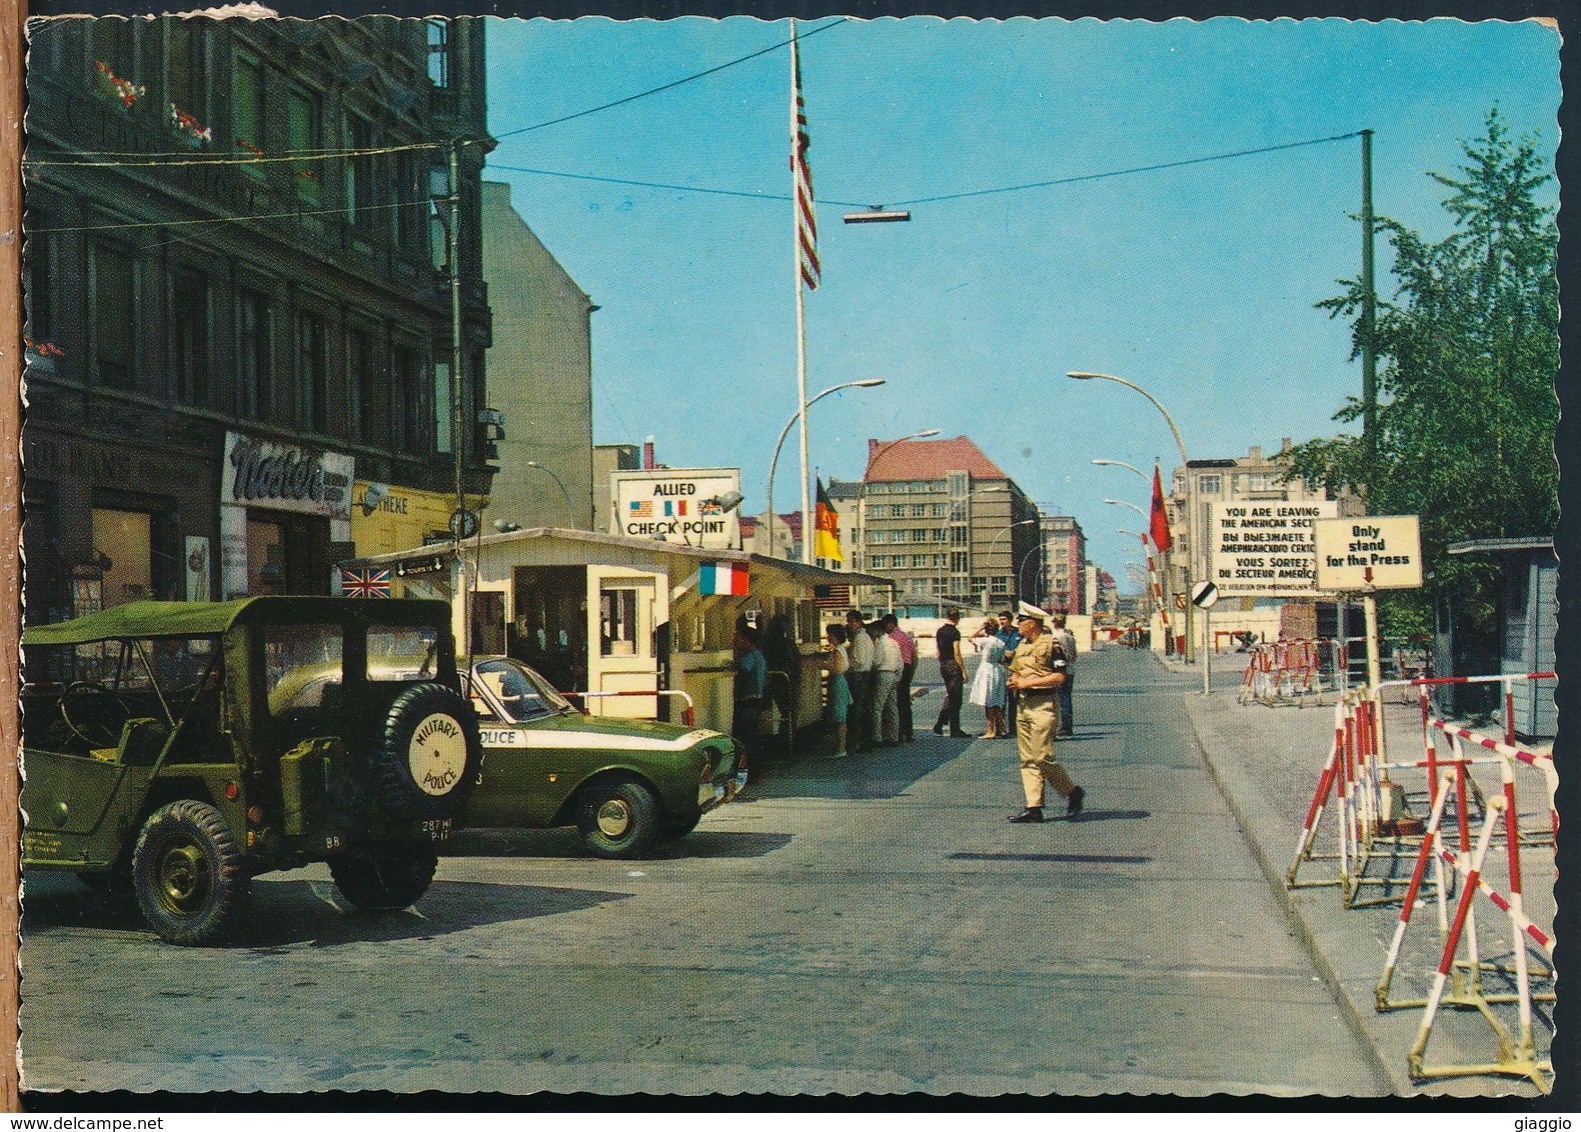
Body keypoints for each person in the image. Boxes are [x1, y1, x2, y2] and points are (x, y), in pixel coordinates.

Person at [1006, 611, 1083, 823]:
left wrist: (1026, 683)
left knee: (1042, 756)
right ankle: (1033, 807)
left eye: (1021, 621)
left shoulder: (1052, 644)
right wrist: (1014, 680)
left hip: (1043, 704)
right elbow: (1015, 670)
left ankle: (1072, 791)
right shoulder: (1022, 645)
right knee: (1027, 759)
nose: (1018, 624)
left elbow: (1060, 676)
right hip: (1023, 705)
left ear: (1033, 623)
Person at [968, 618, 1009, 739]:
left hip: (986, 670)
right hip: (997, 670)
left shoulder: (985, 641)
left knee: (988, 701)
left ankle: (991, 730)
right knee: (997, 701)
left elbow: (970, 638)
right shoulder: (1000, 642)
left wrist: (980, 628)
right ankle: (1001, 728)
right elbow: (1002, 660)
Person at [933, 607, 969, 738]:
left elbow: (938, 651)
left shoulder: (940, 631)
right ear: (957, 618)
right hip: (953, 664)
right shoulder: (954, 632)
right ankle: (955, 728)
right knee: (956, 698)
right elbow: (957, 653)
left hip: (943, 664)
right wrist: (963, 670)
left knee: (950, 695)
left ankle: (940, 723)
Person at [818, 623, 852, 758]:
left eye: (830, 635)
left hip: (837, 682)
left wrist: (823, 665)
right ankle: (840, 747)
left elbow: (837, 669)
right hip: (840, 682)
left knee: (839, 717)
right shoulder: (841, 649)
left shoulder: (837, 650)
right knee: (840, 716)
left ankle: (840, 748)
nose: (828, 638)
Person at [732, 625, 766, 755]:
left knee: (747, 734)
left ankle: (749, 766)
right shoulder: (758, 654)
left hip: (747, 698)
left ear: (745, 639)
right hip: (756, 697)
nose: (735, 641)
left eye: (738, 638)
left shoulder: (748, 657)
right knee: (752, 733)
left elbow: (742, 670)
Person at [883, 613, 918, 741]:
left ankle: (897, 731)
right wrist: (911, 674)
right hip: (908, 668)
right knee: (905, 702)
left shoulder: (890, 638)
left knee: (894, 702)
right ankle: (908, 731)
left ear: (891, 624)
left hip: (897, 668)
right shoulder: (907, 636)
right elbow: (915, 657)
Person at [844, 609, 875, 752]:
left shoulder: (860, 638)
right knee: (862, 709)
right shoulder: (864, 637)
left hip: (858, 675)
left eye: (850, 621)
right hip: (863, 675)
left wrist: (846, 663)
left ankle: (857, 741)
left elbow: (859, 661)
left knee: (856, 709)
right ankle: (864, 739)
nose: (849, 625)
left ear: (857, 621)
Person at [870, 619, 903, 747]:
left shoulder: (880, 644)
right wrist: (898, 678)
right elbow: (900, 663)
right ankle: (893, 736)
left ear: (878, 631)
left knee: (877, 707)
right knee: (892, 707)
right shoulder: (894, 643)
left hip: (882, 674)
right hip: (893, 675)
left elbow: (876, 661)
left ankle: (877, 737)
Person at [1052, 611, 1077, 737]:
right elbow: (1075, 654)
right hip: (1071, 668)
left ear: (1055, 623)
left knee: (1060, 698)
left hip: (1060, 669)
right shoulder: (1070, 636)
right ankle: (1068, 725)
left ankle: (1063, 726)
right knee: (1067, 697)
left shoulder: (1056, 636)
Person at [996, 610, 1022, 732]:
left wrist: (1015, 652)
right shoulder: (998, 634)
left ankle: (1013, 726)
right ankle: (1001, 726)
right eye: (1000, 619)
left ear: (1010, 620)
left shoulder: (1019, 633)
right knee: (1001, 699)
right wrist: (1004, 652)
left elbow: (1024, 646)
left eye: (1004, 619)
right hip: (1003, 667)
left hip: (1016, 668)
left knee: (1014, 699)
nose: (1002, 622)